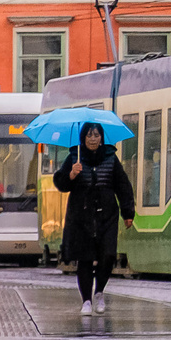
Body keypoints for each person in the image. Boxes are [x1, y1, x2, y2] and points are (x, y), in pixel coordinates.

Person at [52, 123, 135, 316]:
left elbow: (123, 186)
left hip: (107, 215)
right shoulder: (74, 157)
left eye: (96, 135)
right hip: (81, 217)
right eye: (89, 135)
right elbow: (61, 182)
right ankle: (86, 301)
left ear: (101, 138)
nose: (92, 139)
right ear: (83, 138)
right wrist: (71, 175)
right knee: (86, 259)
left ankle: (99, 292)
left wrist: (128, 213)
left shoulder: (110, 158)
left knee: (107, 256)